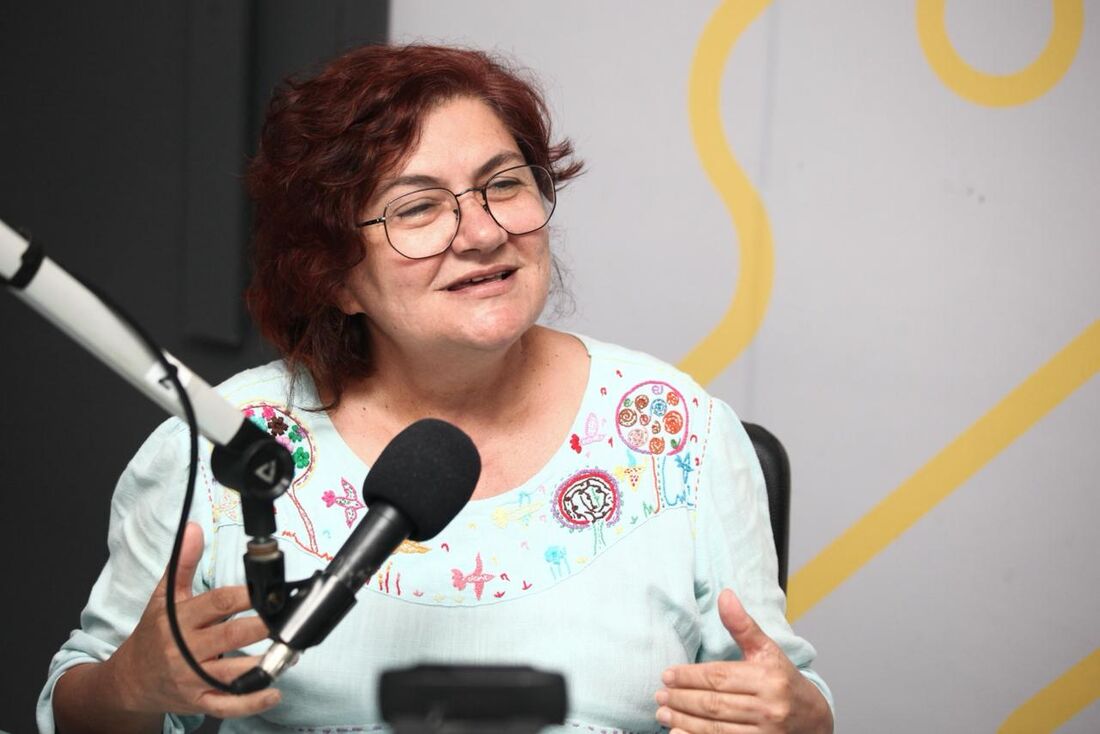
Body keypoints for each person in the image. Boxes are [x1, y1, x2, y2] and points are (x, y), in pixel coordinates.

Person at [39, 44, 835, 733]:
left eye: (504, 184)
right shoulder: (225, 443)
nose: (484, 233)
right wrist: (130, 687)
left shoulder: (674, 430)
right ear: (332, 273)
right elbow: (74, 709)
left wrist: (794, 713)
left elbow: (792, 703)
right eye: (418, 208)